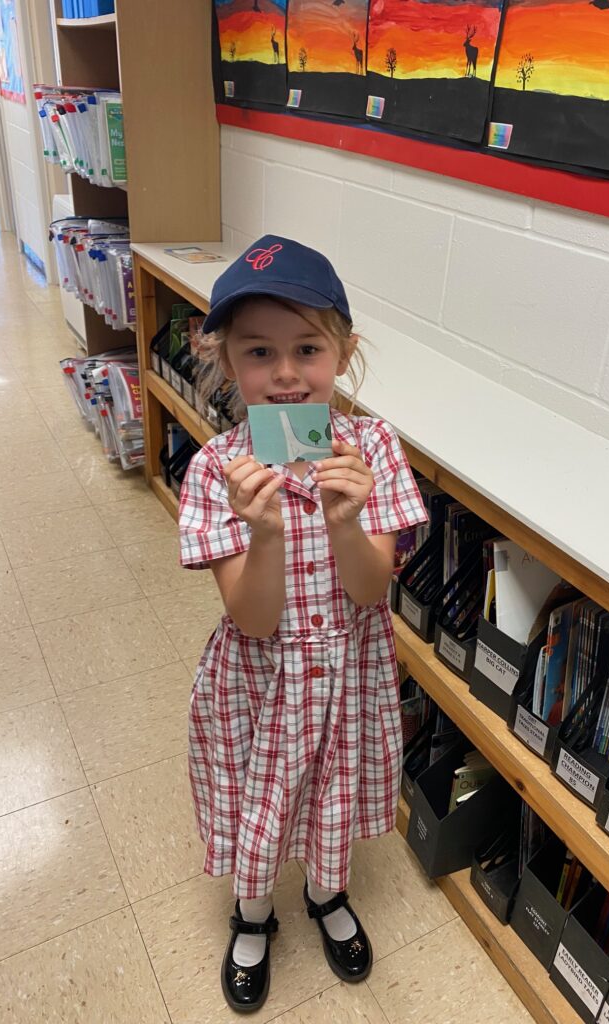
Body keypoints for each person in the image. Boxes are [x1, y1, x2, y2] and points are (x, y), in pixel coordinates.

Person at [178, 235, 427, 1014]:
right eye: (259, 353)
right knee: (259, 797)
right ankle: (252, 916)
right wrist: (269, 531)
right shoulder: (216, 469)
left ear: (344, 352)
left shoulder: (375, 449)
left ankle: (326, 894)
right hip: (261, 677)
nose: (286, 375)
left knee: (334, 791)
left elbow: (368, 590)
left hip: (348, 669)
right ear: (226, 361)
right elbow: (249, 619)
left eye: (308, 349)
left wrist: (347, 522)